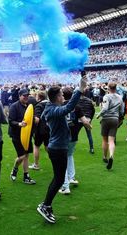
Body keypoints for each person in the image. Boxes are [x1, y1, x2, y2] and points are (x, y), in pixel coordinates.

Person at [36, 74, 87, 224]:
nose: (63, 96)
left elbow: (67, 108)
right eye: (61, 95)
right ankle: (45, 205)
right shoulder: (52, 110)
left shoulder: (53, 107)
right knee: (58, 179)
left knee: (58, 179)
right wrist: (80, 89)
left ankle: (46, 205)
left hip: (59, 147)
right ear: (55, 97)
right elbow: (69, 107)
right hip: (58, 149)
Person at [59, 87, 92, 195]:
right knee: (70, 156)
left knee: (63, 160)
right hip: (73, 136)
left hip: (63, 137)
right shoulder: (76, 107)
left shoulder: (59, 106)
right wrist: (89, 126)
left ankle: (65, 186)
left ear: (62, 95)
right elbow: (85, 121)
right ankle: (71, 177)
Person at [9, 89, 36, 184]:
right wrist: (19, 123)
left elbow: (30, 119)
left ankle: (26, 176)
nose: (26, 97)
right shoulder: (14, 106)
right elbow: (11, 121)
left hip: (27, 135)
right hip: (16, 135)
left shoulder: (29, 106)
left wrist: (35, 120)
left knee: (27, 155)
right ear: (19, 96)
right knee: (22, 156)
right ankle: (15, 169)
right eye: (24, 96)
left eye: (27, 96)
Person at [96, 82, 124, 170]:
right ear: (116, 88)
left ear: (108, 88)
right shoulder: (120, 97)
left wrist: (98, 115)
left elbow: (105, 108)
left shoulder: (106, 96)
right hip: (115, 119)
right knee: (111, 140)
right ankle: (111, 156)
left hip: (106, 119)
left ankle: (105, 156)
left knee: (104, 139)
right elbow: (122, 110)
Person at [29, 91, 49, 170]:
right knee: (47, 146)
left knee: (36, 146)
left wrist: (31, 118)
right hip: (49, 128)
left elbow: (37, 120)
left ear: (39, 97)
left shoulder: (39, 105)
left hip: (40, 129)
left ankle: (36, 164)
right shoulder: (50, 104)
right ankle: (56, 162)